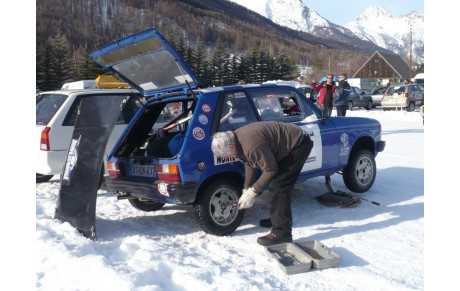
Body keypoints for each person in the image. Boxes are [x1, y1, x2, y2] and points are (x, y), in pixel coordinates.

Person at [211, 121, 313, 246]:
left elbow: (271, 170)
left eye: (225, 156)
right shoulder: (236, 140)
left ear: (231, 147)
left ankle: (282, 233)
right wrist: (246, 188)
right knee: (276, 185)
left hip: (298, 145)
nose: (226, 158)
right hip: (286, 144)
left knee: (279, 186)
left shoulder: (251, 145)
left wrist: (253, 192)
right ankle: (277, 219)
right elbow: (250, 164)